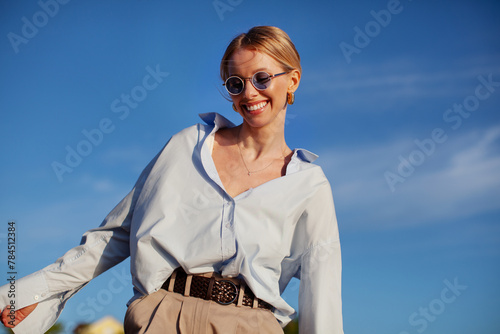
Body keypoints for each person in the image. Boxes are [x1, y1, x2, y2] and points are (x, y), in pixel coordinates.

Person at [0, 26, 343, 333]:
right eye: (236, 83)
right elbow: (116, 234)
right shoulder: (186, 147)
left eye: (262, 78)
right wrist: (32, 292)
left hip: (250, 324)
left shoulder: (310, 186)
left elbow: (321, 291)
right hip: (161, 318)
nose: (249, 93)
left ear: (293, 80)